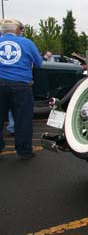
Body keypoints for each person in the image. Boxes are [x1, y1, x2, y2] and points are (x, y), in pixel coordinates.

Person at [0, 19, 42, 159]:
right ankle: (24, 151)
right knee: (23, 119)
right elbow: (38, 63)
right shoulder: (26, 43)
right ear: (17, 31)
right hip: (21, 85)